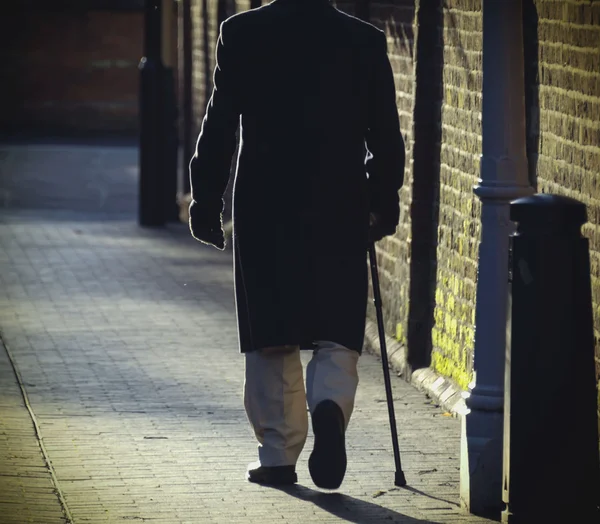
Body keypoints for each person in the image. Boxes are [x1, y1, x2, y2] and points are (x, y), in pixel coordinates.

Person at [189, 0, 404, 490]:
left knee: (272, 330)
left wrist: (205, 200)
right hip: (339, 198)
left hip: (266, 200)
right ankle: (328, 405)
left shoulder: (242, 32)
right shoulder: (363, 40)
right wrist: (381, 196)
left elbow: (220, 123)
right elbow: (385, 134)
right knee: (336, 323)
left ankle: (278, 454)